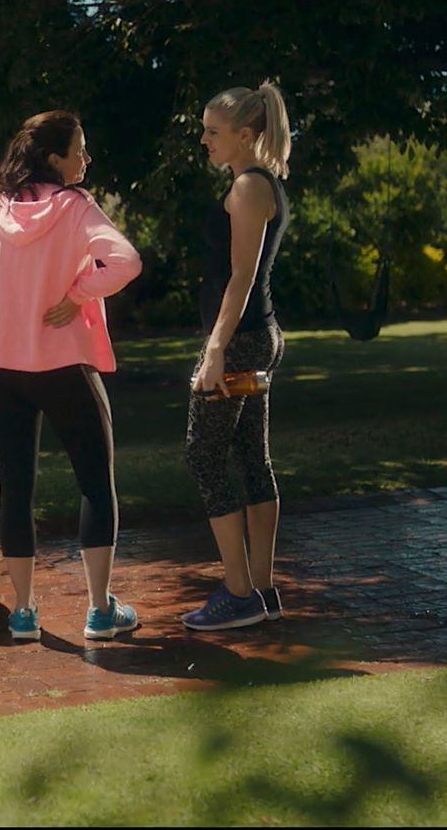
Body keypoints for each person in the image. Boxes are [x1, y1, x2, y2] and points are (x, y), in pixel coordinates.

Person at [0, 110, 143, 641]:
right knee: (94, 480)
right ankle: (99, 611)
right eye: (80, 149)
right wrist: (78, 293)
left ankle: (23, 612)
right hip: (62, 365)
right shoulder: (76, 209)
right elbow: (127, 262)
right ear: (53, 158)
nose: (86, 159)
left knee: (14, 485)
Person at [181, 82, 293, 631]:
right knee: (250, 459)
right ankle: (263, 592)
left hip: (242, 339)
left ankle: (239, 590)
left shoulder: (250, 188)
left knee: (204, 456)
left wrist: (215, 350)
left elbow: (240, 279)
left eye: (213, 131)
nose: (203, 139)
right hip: (257, 335)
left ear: (246, 135)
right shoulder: (259, 183)